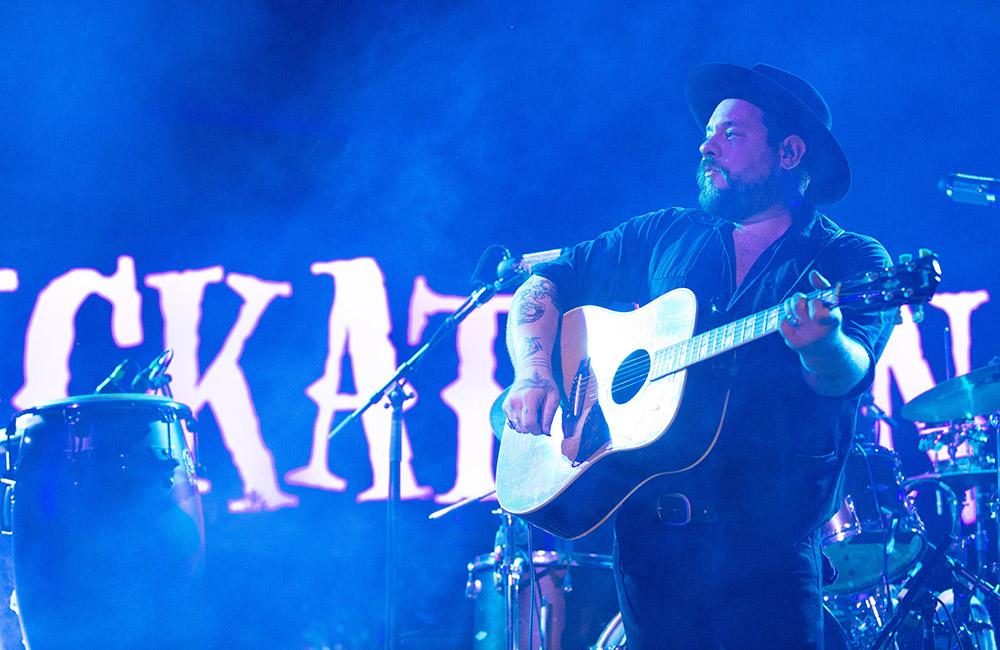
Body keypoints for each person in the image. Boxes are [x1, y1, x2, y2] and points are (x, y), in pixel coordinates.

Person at [501, 63, 895, 649]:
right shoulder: (664, 234)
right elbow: (544, 284)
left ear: (789, 153)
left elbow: (847, 373)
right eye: (709, 132)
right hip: (650, 556)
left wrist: (823, 343)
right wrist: (534, 372)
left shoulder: (848, 262)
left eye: (731, 133)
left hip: (769, 565)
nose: (706, 144)